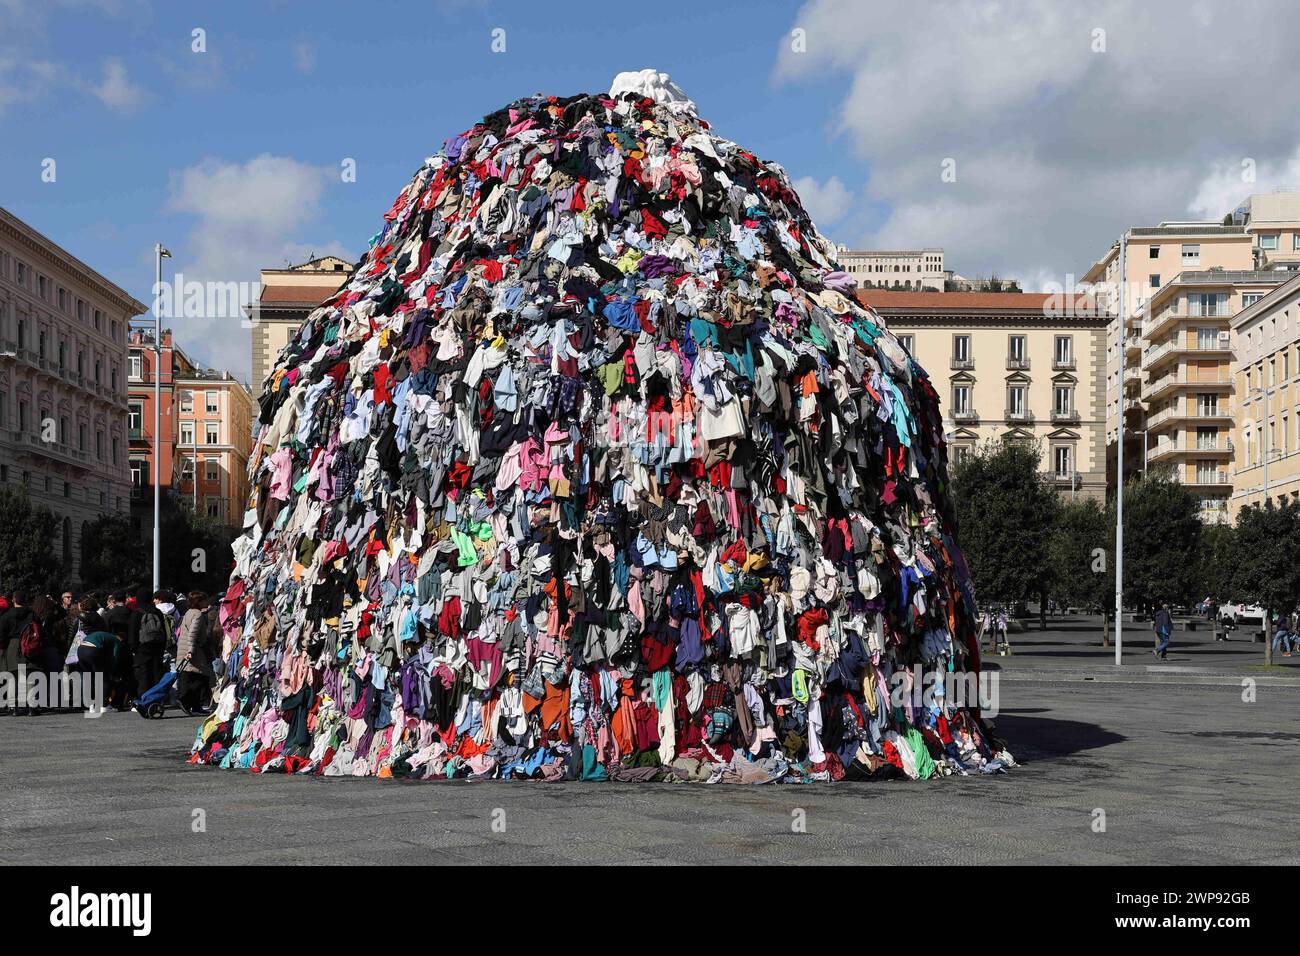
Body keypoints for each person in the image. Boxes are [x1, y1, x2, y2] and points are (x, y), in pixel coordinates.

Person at [175, 591, 217, 714]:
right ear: (199, 602)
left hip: (183, 649)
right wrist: (191, 651)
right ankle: (186, 700)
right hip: (193, 651)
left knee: (192, 678)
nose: (207, 602)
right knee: (201, 678)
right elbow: (192, 634)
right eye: (204, 600)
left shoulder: (188, 613)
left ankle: (195, 705)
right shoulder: (198, 615)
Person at [130, 587, 169, 698]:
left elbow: (133, 632)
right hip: (157, 647)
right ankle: (156, 698)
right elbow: (164, 631)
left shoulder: (137, 613)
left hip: (142, 648)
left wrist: (133, 647)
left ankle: (144, 698)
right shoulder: (157, 612)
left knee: (143, 674)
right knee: (157, 672)